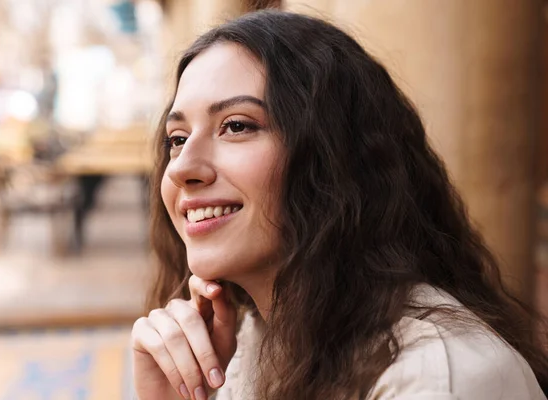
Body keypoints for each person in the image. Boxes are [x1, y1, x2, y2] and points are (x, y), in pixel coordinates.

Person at [131, 10, 548, 400]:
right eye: (177, 139)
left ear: (334, 158)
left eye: (237, 126)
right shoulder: (257, 340)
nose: (183, 166)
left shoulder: (435, 377)